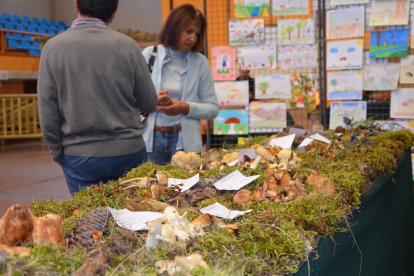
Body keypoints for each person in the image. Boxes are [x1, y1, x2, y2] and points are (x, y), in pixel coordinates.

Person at [37, 0, 158, 194]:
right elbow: (149, 102)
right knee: (132, 216)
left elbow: (47, 112)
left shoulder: (53, 48)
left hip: (80, 155)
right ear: (114, 11)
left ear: (76, 4)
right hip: (128, 150)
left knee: (89, 219)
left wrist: (58, 153)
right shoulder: (128, 46)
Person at [142, 4, 219, 165]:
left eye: (197, 34)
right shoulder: (149, 55)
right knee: (150, 188)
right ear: (174, 27)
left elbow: (213, 108)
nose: (193, 38)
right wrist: (153, 100)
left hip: (187, 145)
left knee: (188, 189)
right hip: (151, 142)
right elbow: (132, 100)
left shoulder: (200, 62)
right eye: (189, 31)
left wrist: (186, 108)